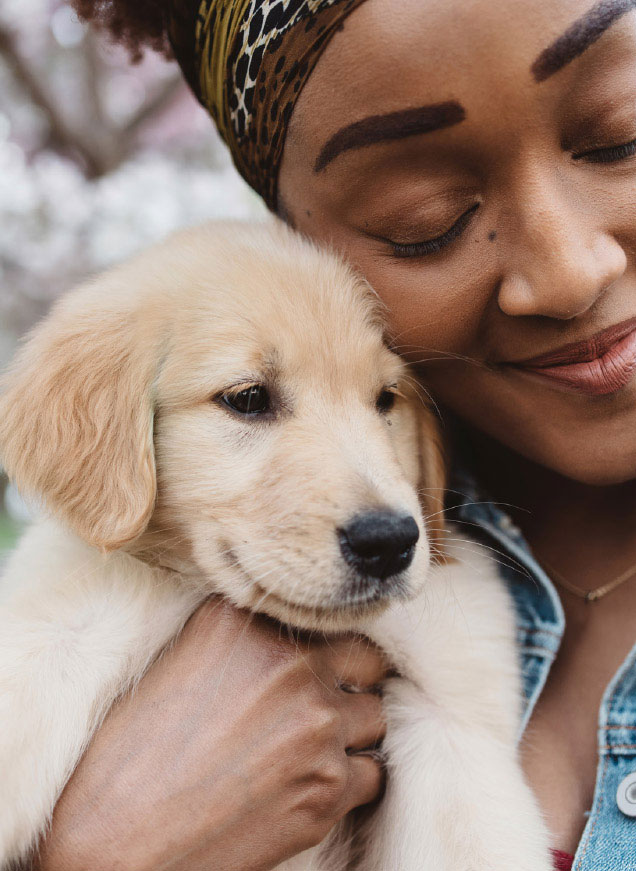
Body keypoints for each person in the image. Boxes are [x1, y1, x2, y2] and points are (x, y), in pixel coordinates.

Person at [37, 1, 636, 868]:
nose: (569, 273)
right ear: (295, 244)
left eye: (622, 136)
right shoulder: (150, 583)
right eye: (423, 219)